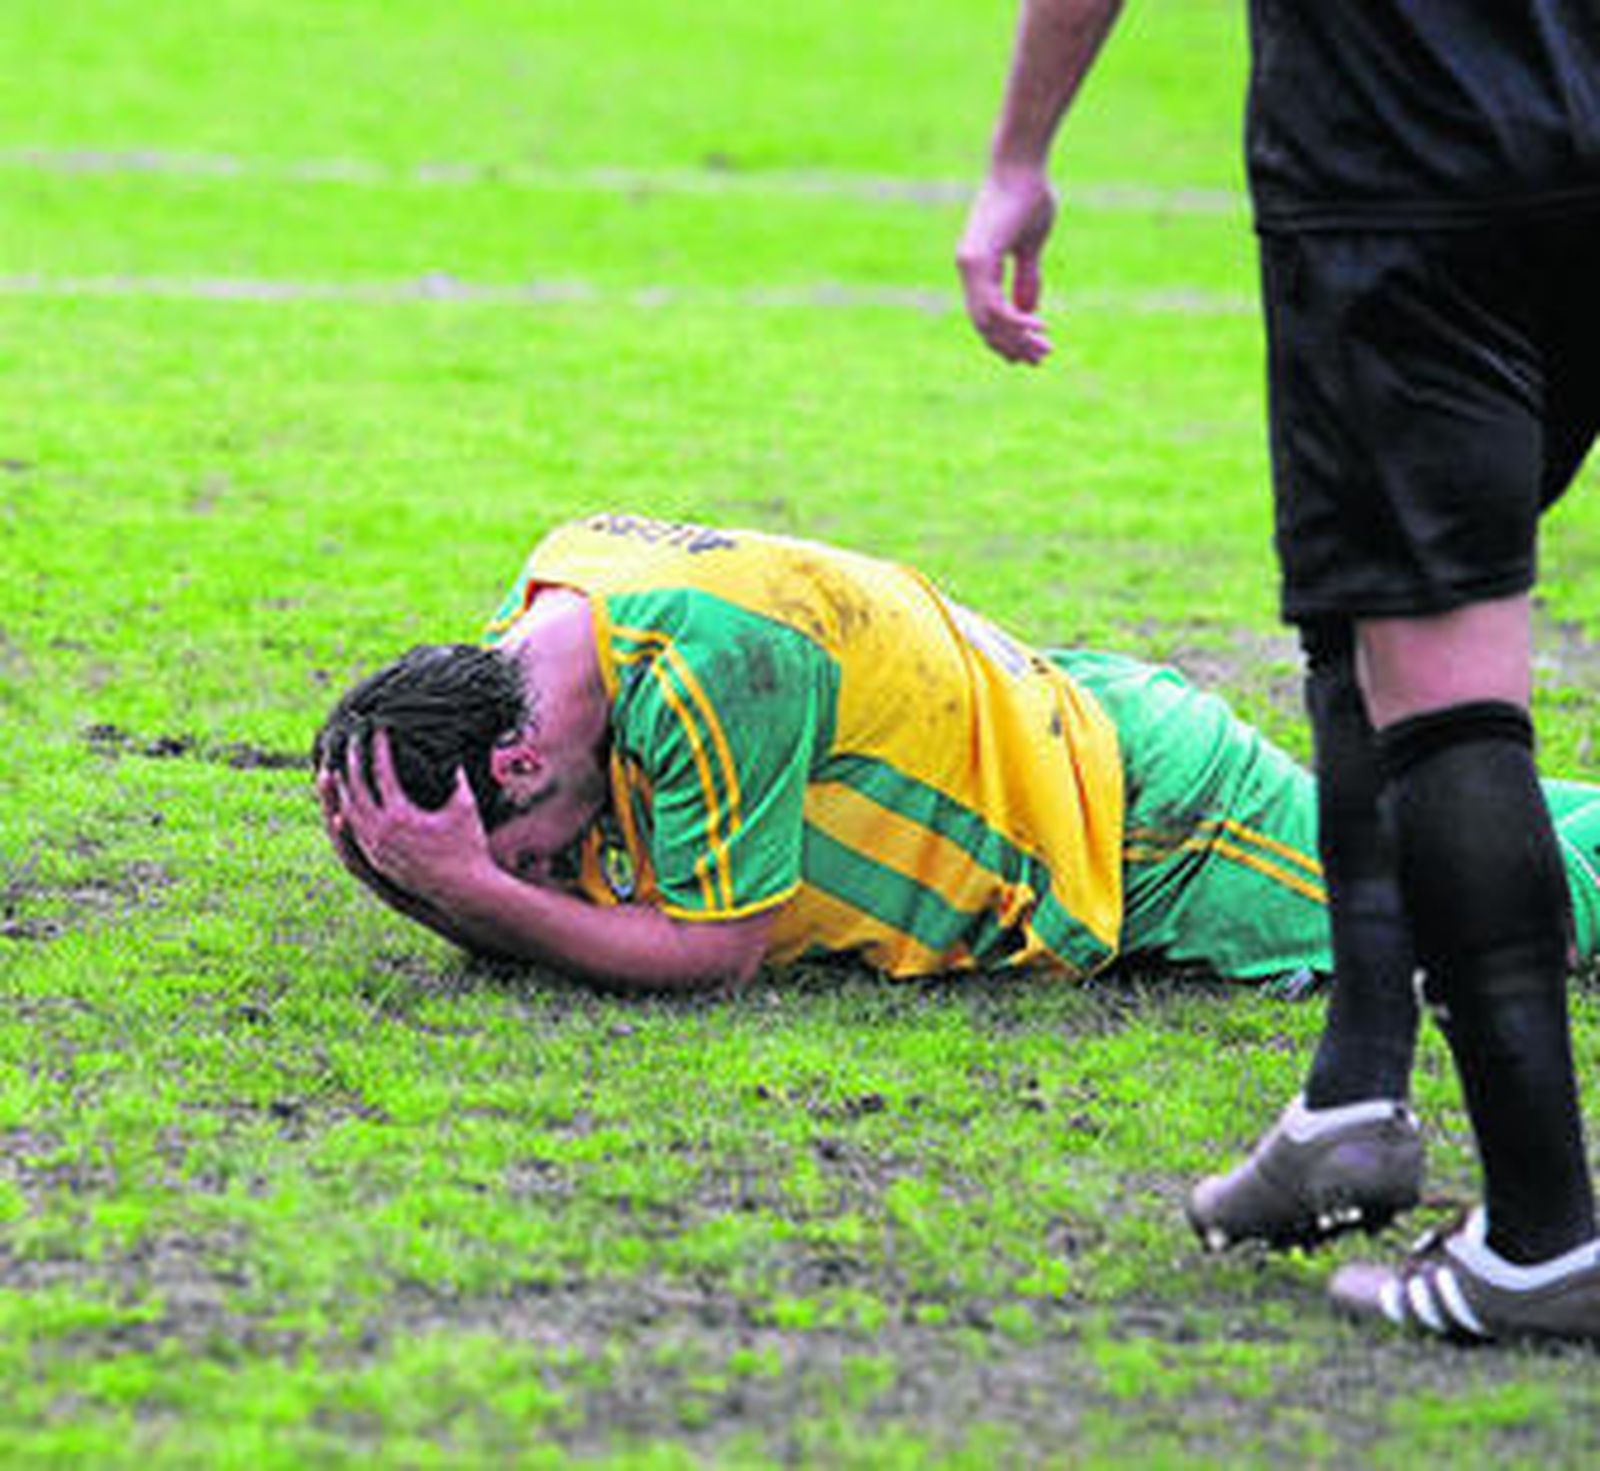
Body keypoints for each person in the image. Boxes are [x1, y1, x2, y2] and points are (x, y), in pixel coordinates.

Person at [958, 2, 1600, 1341]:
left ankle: (1542, 1236)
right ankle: (1353, 1093)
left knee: (1439, 673)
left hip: (1407, 165)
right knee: (1364, 608)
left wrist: (1020, 153)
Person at [316, 511, 1600, 993]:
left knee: (1488, 909)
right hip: (1063, 732)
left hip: (1137, 824)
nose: (558, 874)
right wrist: (417, 865)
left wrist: (474, 895)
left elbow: (711, 955)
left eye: (530, 855)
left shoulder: (711, 676)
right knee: (1458, 832)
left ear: (516, 768)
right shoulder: (544, 624)